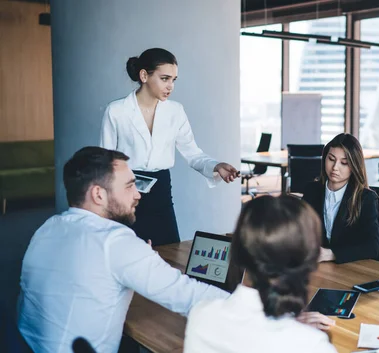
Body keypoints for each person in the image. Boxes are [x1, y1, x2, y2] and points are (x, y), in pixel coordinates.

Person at [18, 147, 229, 353]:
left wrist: (137, 262)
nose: (138, 194)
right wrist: (255, 307)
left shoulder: (47, 228)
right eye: (129, 186)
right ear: (98, 194)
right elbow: (190, 296)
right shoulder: (115, 241)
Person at [100, 48, 239, 246]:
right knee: (129, 254)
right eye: (165, 78)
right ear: (144, 75)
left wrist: (216, 166)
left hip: (161, 192)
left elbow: (192, 153)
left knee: (169, 251)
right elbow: (105, 162)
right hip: (126, 192)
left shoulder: (176, 111)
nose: (170, 86)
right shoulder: (116, 111)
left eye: (174, 80)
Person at [183, 196, 338, 353]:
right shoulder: (312, 344)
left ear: (238, 253)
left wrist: (292, 323)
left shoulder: (200, 315)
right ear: (309, 261)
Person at [302, 133, 379, 264]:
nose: (335, 167)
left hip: (349, 268)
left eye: (344, 163)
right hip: (314, 267)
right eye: (331, 159)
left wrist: (330, 254)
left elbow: (372, 247)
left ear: (354, 166)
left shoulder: (365, 198)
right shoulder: (312, 190)